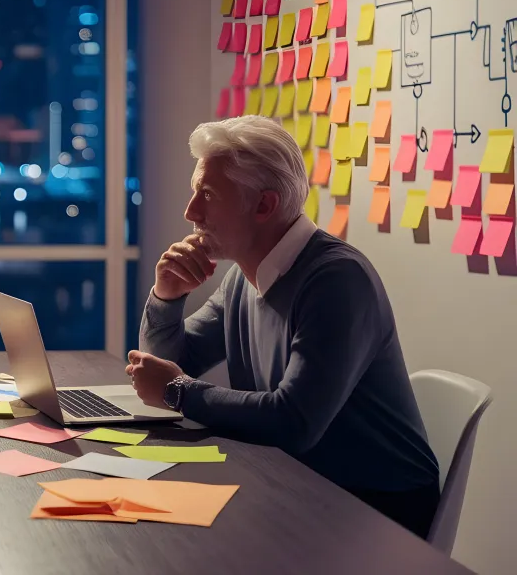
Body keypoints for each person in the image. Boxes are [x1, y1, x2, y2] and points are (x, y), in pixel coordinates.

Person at [127, 115, 441, 538]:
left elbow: (294, 421)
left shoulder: (337, 280)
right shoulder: (243, 278)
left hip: (375, 510)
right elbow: (167, 366)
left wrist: (177, 390)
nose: (190, 212)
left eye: (207, 194)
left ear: (264, 205)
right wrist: (167, 296)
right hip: (296, 484)